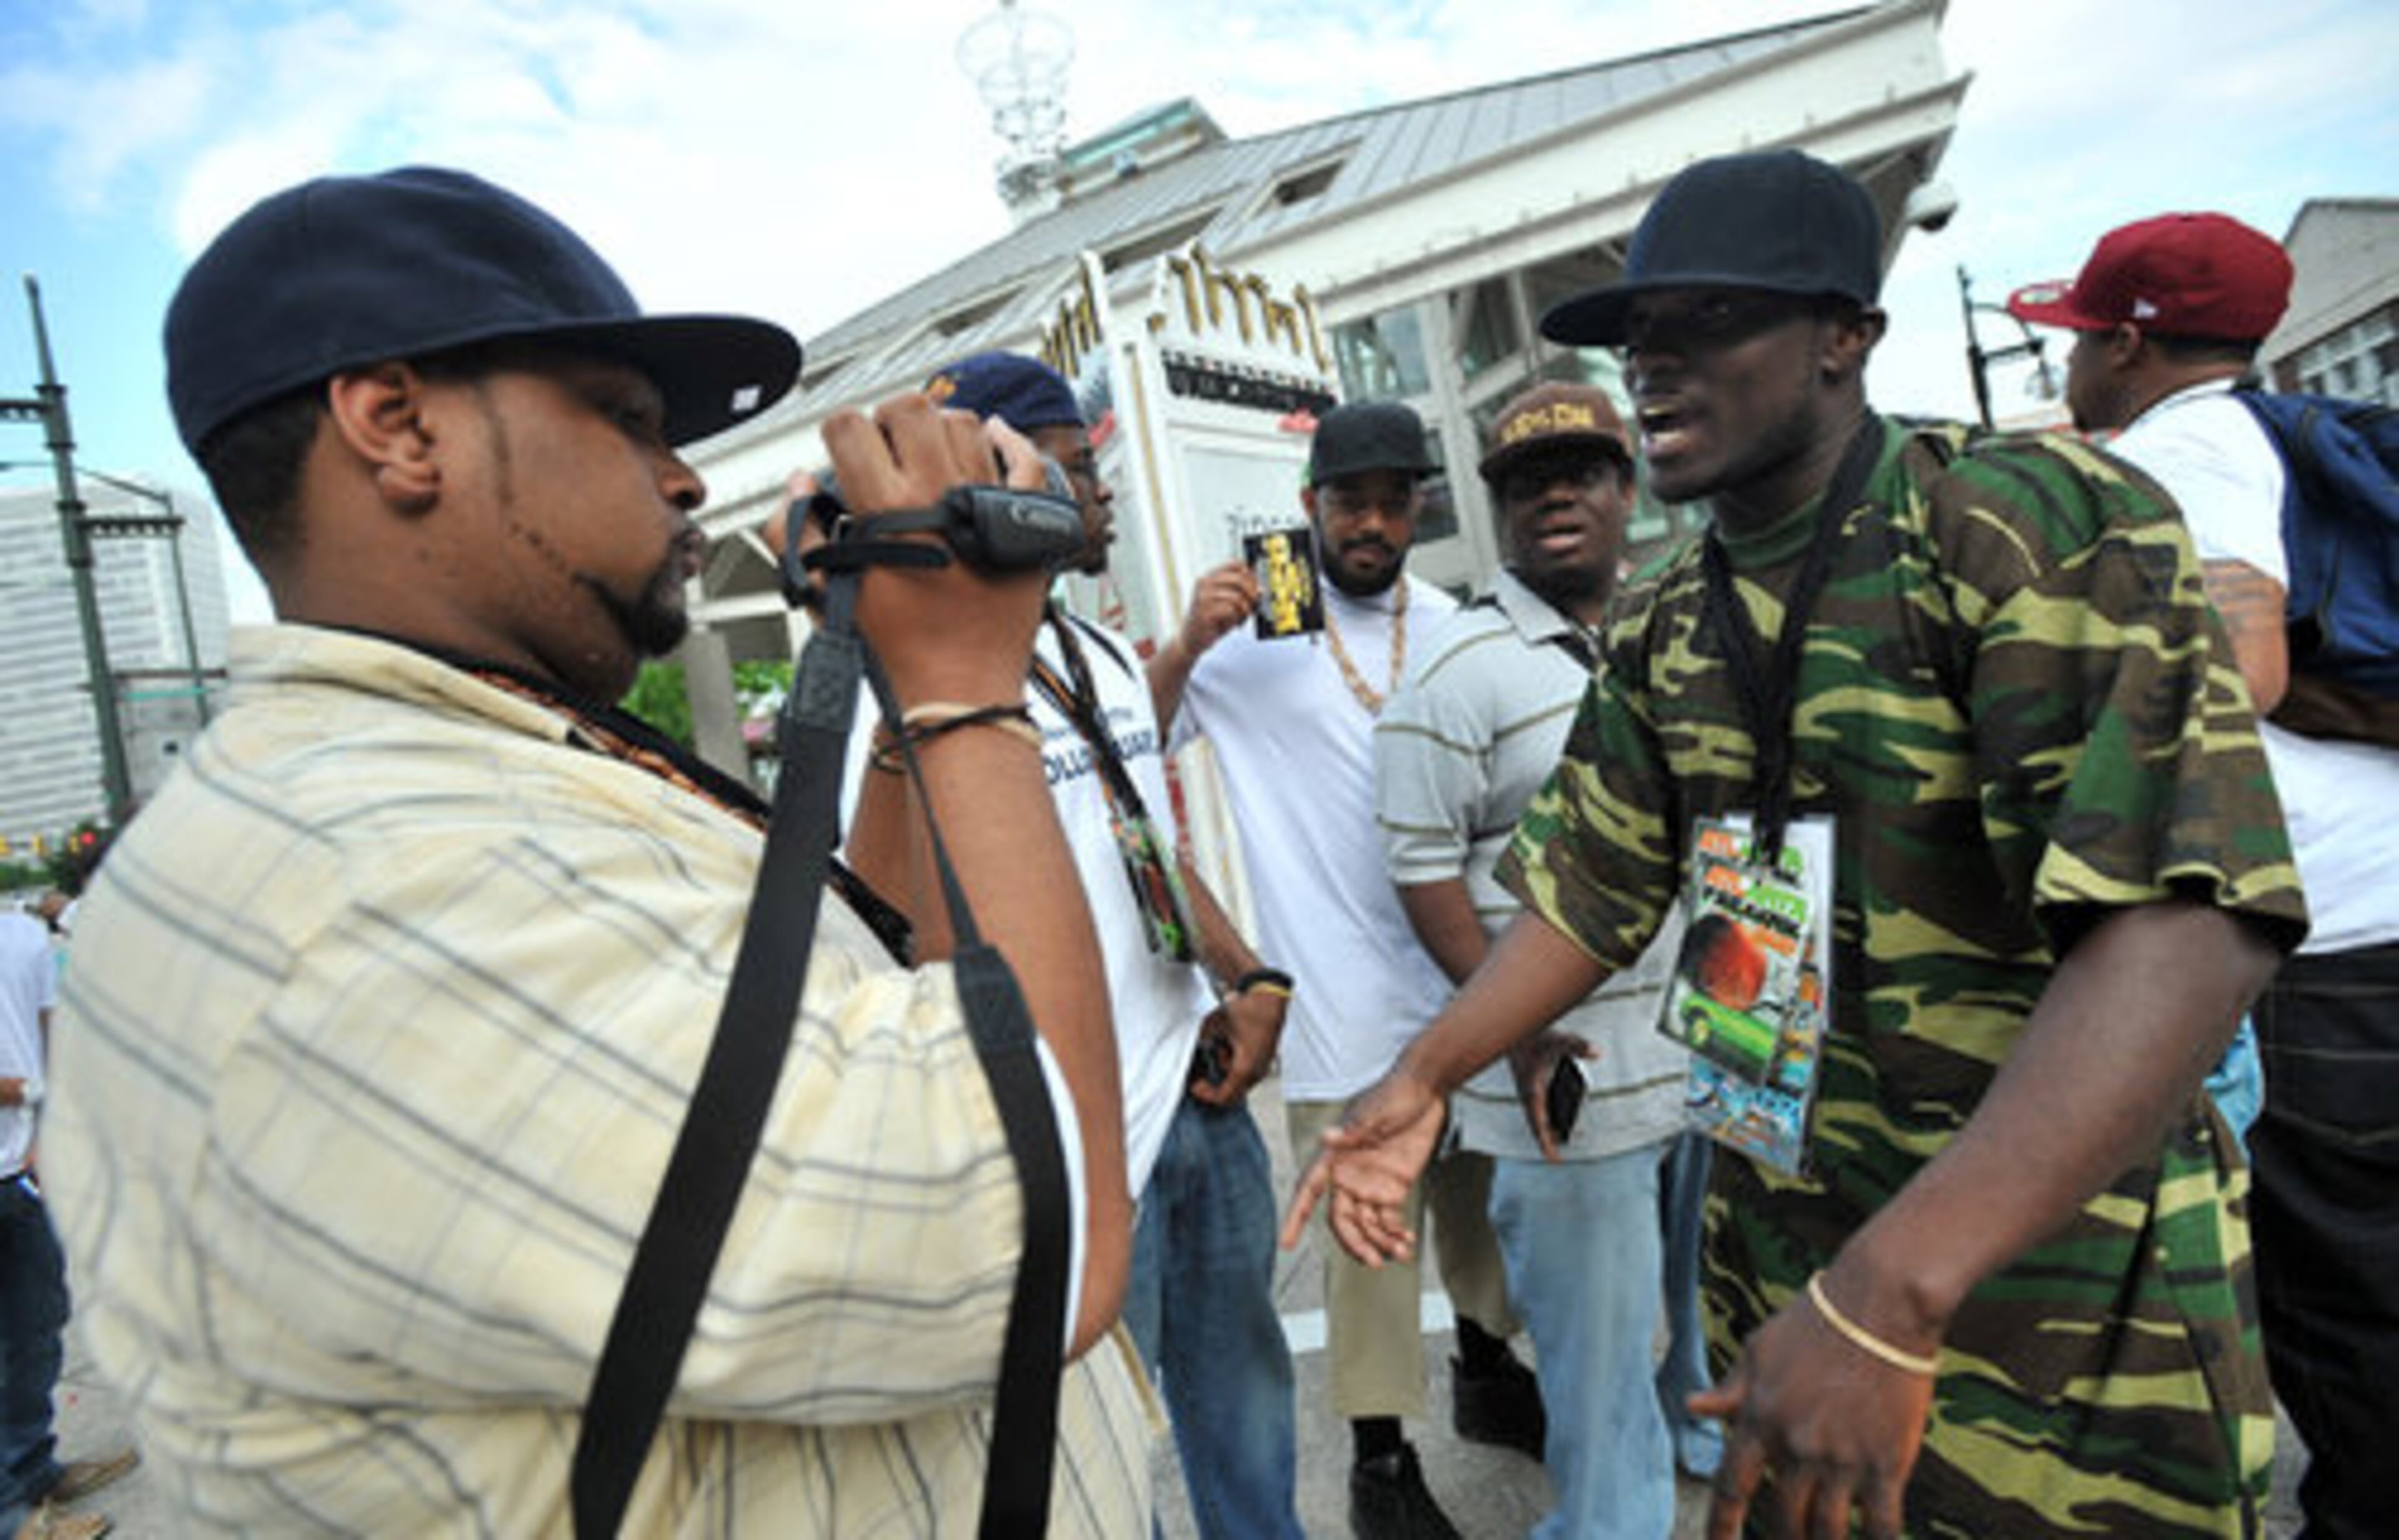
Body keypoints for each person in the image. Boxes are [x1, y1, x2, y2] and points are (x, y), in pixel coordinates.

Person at [41, 166, 1153, 1535]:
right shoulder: (353, 886)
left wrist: (898, 672)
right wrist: (971, 685)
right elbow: (1041, 1238)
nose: (682, 473)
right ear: (395, 424)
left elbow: (901, 978)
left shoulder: (484, 761)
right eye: (627, 418)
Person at [1283, 149, 2307, 1539]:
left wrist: (1893, 1295)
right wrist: (1423, 1075)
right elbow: (1589, 889)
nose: (1655, 367)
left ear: (1845, 338)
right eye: (1640, 336)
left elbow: (2187, 923)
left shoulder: (2023, 523)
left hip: (2046, 1305)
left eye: (1710, 323)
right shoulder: (1667, 622)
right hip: (1788, 1279)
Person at [2011, 212, 2399, 1540]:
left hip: (2320, 950)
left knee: (2341, 1296)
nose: (2067, 365)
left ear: (2126, 341)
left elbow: (2247, 665)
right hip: (2377, 908)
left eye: (2075, 339)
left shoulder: (2183, 449)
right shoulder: (2281, 432)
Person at [919, 351, 1304, 1540]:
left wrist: (1246, 975)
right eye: (1075, 471)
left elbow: (1143, 838)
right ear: (1005, 478)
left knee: (1248, 1416)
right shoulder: (926, 685)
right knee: (1102, 1460)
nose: (1102, 496)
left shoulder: (1091, 660)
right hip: (1080, 1145)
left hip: (1199, 1095)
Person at [1149, 400, 1539, 1539]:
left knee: (1478, 1204)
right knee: (1371, 1242)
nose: (1371, 520)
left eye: (1391, 498)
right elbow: (1135, 745)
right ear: (1309, 507)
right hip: (1340, 1003)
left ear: (1419, 503)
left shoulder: (1456, 621)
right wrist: (1181, 648)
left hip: (1465, 983)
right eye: (1347, 500)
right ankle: (1380, 1465)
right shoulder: (1254, 638)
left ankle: (1487, 1371)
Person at [1374, 380, 1699, 1538]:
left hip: (1699, 1059)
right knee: (1601, 1382)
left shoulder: (1669, 634)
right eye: (1525, 481)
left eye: (1581, 471)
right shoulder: (1458, 673)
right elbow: (1420, 869)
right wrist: (1506, 1033)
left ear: (1627, 490)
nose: (1555, 493)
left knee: (1695, 1329)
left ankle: (1685, 1455)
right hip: (1573, 1084)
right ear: (1500, 508)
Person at [1, 908, 136, 1540]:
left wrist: (51, 1118)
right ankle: (10, 1514)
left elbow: (50, 1031)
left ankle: (33, 1470)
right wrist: (31, 1092)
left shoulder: (24, 934)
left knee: (37, 1327)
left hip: (21, 1166)